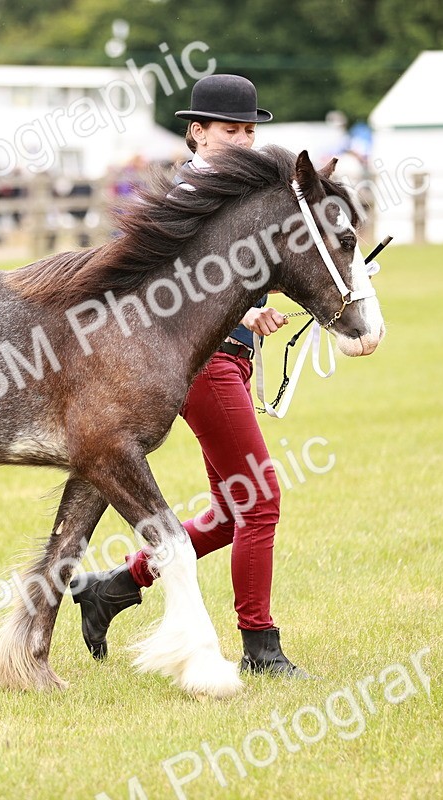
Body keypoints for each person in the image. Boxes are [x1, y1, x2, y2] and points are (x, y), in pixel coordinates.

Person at [70, 74, 313, 678]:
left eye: (251, 132)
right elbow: (178, 285)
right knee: (261, 501)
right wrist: (246, 307)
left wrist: (267, 298)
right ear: (197, 133)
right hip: (205, 365)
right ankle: (261, 645)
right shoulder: (190, 200)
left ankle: (115, 587)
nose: (243, 141)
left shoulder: (234, 196)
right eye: (230, 131)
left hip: (229, 358)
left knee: (235, 510)